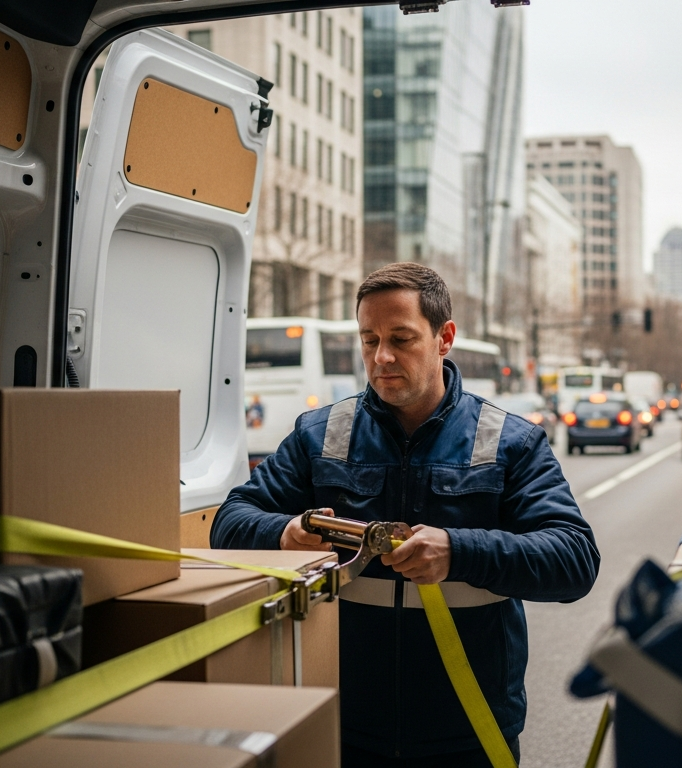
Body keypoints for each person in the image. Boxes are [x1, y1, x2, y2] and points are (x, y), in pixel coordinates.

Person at [212, 262, 599, 766]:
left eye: (402, 337)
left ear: (445, 337)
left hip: (469, 728)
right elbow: (229, 522)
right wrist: (286, 532)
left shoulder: (510, 441)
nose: (382, 357)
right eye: (369, 340)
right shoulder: (320, 433)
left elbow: (573, 560)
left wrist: (459, 551)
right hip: (342, 725)